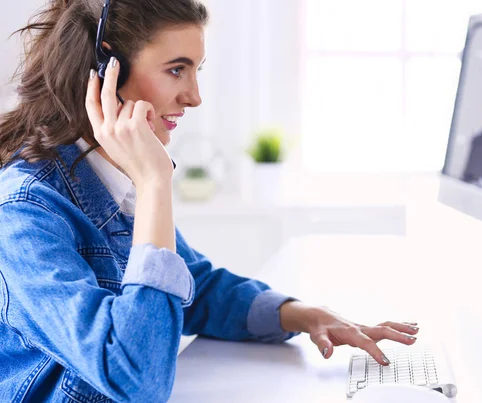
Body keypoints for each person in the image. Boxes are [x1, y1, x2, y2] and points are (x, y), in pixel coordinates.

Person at [0, 1, 419, 402]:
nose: (194, 96)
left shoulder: (109, 178)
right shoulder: (25, 212)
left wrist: (305, 315)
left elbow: (196, 290)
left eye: (196, 71)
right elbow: (135, 378)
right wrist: (154, 183)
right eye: (176, 70)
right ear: (106, 71)